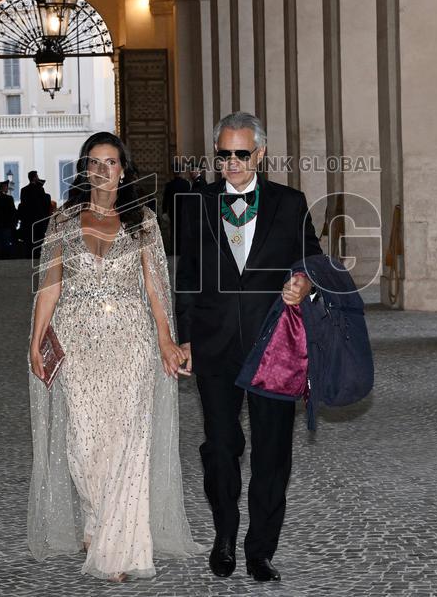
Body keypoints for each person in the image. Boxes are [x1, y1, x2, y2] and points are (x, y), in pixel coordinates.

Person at [26, 131, 205, 582]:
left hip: (132, 343)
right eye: (94, 162)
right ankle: (95, 523)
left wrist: (166, 339)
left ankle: (120, 547)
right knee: (84, 444)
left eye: (111, 161)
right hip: (79, 343)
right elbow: (50, 285)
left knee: (129, 440)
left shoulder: (143, 222)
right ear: (85, 169)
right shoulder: (64, 221)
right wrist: (36, 338)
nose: (102, 170)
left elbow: (156, 288)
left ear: (123, 169)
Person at [175, 111, 323, 582]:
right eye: (224, 154)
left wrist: (304, 284)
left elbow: (312, 262)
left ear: (260, 153)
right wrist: (185, 338)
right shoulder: (197, 203)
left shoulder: (290, 202)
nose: (232, 163)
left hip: (275, 345)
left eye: (241, 153)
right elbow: (188, 277)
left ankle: (260, 550)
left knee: (272, 452)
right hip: (215, 346)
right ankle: (224, 536)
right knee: (220, 447)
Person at [19, 171, 52, 256]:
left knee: (30, 238)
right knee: (39, 238)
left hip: (28, 220)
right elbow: (45, 203)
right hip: (39, 219)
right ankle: (38, 254)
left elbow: (23, 205)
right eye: (37, 176)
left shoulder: (24, 190)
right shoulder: (40, 189)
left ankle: (29, 254)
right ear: (34, 178)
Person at [161, 163, 191, 256]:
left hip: (173, 212)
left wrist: (164, 211)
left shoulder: (169, 185)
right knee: (183, 231)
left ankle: (175, 250)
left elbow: (165, 200)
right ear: (181, 171)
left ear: (173, 172)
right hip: (185, 211)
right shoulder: (186, 184)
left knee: (174, 232)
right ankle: (183, 250)